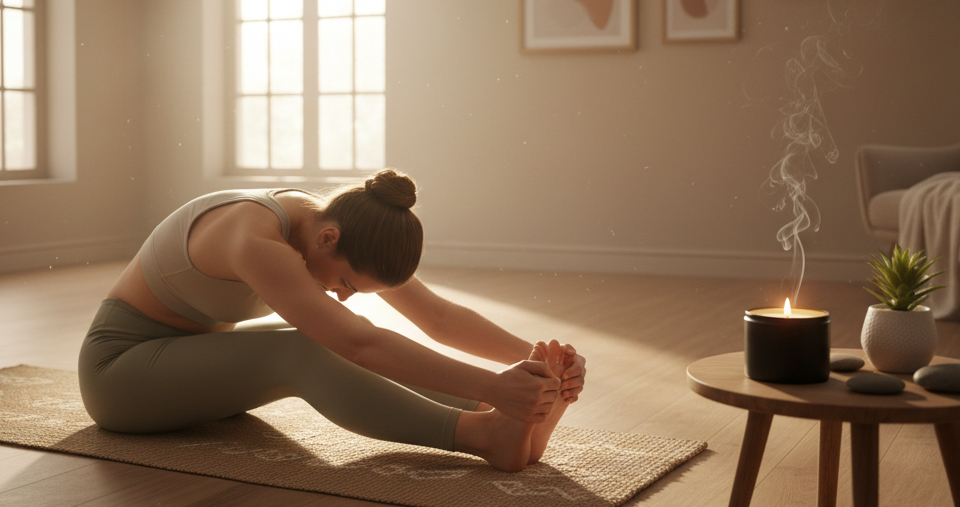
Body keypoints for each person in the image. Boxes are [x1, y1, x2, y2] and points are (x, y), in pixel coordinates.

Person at [78, 169, 587, 472]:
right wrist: (499, 385)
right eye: (345, 284)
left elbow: (436, 315)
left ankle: (509, 419)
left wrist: (537, 359)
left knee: (313, 338)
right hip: (120, 378)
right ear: (327, 241)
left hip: (185, 362)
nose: (343, 297)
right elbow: (358, 344)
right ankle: (482, 434)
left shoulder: (334, 226)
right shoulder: (255, 239)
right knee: (309, 348)